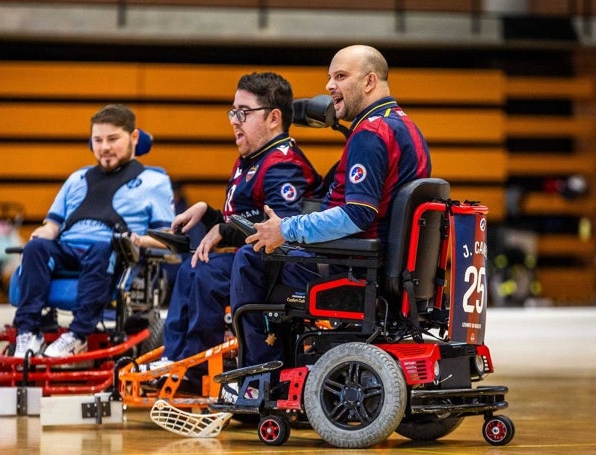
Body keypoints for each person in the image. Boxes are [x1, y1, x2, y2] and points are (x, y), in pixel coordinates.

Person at [230, 45, 432, 368]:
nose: (328, 86)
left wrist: (286, 228)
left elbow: (357, 214)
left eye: (340, 76)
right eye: (329, 77)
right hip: (379, 265)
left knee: (250, 260)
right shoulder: (406, 126)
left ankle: (260, 374)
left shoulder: (370, 134)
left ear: (369, 82)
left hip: (351, 268)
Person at [141, 72, 322, 383]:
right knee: (193, 266)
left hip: (284, 267)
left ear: (273, 118)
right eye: (232, 112)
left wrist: (223, 231)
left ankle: (197, 371)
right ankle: (176, 357)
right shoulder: (251, 159)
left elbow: (278, 229)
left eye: (243, 112)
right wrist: (209, 214)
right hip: (251, 263)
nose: (234, 121)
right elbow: (243, 217)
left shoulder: (283, 164)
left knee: (206, 272)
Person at [12, 104, 175, 358]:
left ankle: (78, 335)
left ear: (133, 137)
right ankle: (28, 332)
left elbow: (168, 239)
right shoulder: (77, 178)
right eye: (97, 140)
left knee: (103, 247)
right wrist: (40, 234)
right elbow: (52, 226)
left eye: (113, 139)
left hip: (113, 253)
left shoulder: (155, 181)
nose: (104, 147)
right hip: (68, 250)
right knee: (35, 247)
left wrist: (139, 240)